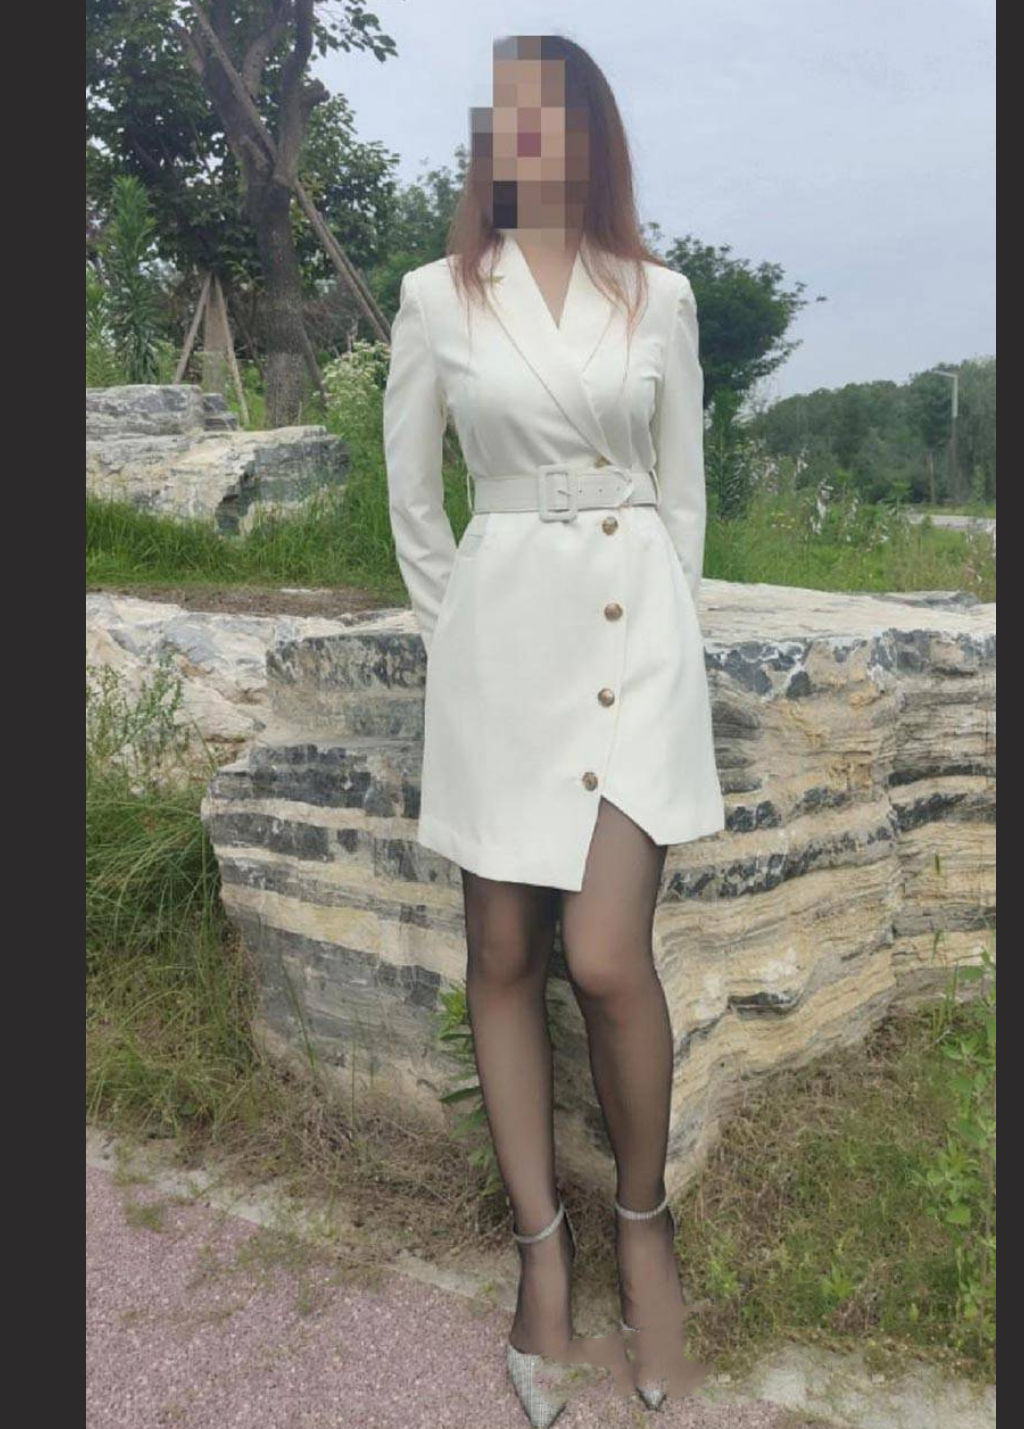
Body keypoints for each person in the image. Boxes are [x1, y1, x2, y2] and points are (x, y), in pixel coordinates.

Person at [383, 33, 724, 1425]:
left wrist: (674, 635)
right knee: (504, 952)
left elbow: (683, 497)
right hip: (500, 641)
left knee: (605, 955)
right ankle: (541, 1255)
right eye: (511, 116)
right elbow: (415, 504)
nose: (534, 137)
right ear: (490, 141)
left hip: (635, 641)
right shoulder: (435, 298)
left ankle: (642, 1228)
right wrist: (458, 636)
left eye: (559, 114)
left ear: (593, 136)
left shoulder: (661, 295)